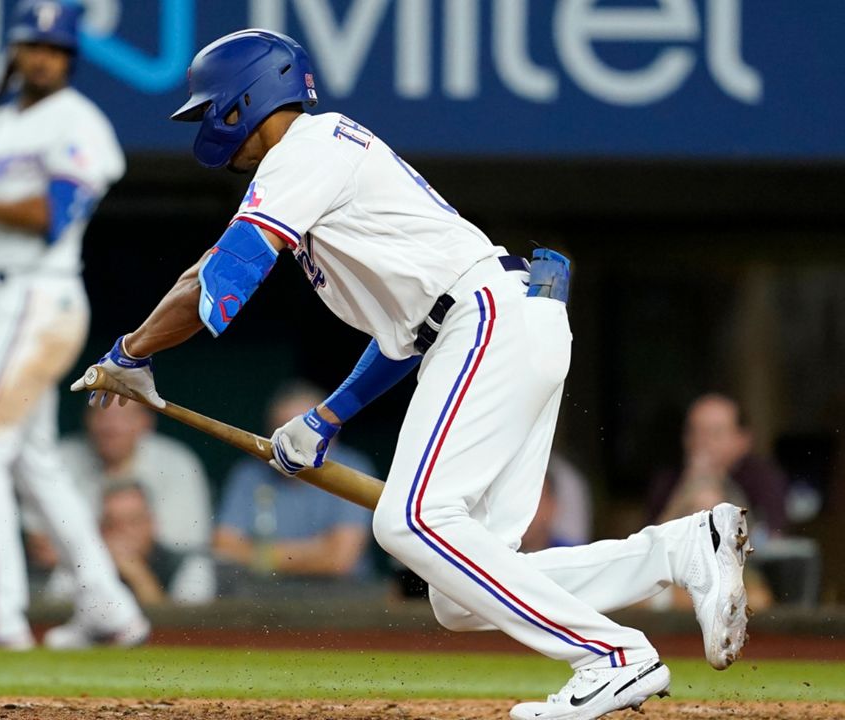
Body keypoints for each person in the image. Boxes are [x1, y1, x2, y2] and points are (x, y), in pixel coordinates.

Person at [70, 29, 753, 719]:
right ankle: (684, 548)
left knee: (409, 521)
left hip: (489, 320)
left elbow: (218, 279)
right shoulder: (318, 162)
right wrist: (325, 417)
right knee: (461, 592)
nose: (209, 125)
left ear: (246, 98)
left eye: (212, 106)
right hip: (507, 321)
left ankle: (611, 657)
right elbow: (406, 335)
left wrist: (130, 354)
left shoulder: (305, 147)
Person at [0, 0, 148, 651]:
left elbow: (55, 212)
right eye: (32, 46)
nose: (42, 57)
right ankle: (109, 609)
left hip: (35, 298)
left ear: (69, 58)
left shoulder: (79, 122)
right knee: (32, 464)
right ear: (15, 51)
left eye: (54, 49)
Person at [214, 382, 375, 579]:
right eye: (286, 434)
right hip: (263, 594)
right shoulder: (249, 474)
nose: (295, 443)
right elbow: (224, 548)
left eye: (307, 432)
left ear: (331, 435)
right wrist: (315, 550)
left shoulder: (353, 468)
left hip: (340, 596)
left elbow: (340, 559)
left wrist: (260, 555)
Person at [28, 400, 211, 555]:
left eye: (124, 416)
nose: (112, 427)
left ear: (146, 421)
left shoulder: (176, 463)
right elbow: (41, 546)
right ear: (86, 419)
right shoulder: (60, 459)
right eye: (102, 415)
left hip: (160, 581)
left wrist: (90, 544)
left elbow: (184, 549)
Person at [648, 393, 790, 536]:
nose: (701, 441)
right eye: (694, 432)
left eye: (715, 433)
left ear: (743, 440)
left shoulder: (762, 477)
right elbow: (651, 540)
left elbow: (773, 535)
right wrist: (687, 489)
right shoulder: (669, 478)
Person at [100, 483, 216, 605]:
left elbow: (178, 622)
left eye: (133, 521)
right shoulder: (92, 566)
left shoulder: (187, 566)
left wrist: (138, 576)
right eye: (112, 524)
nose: (124, 531)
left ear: (151, 523)